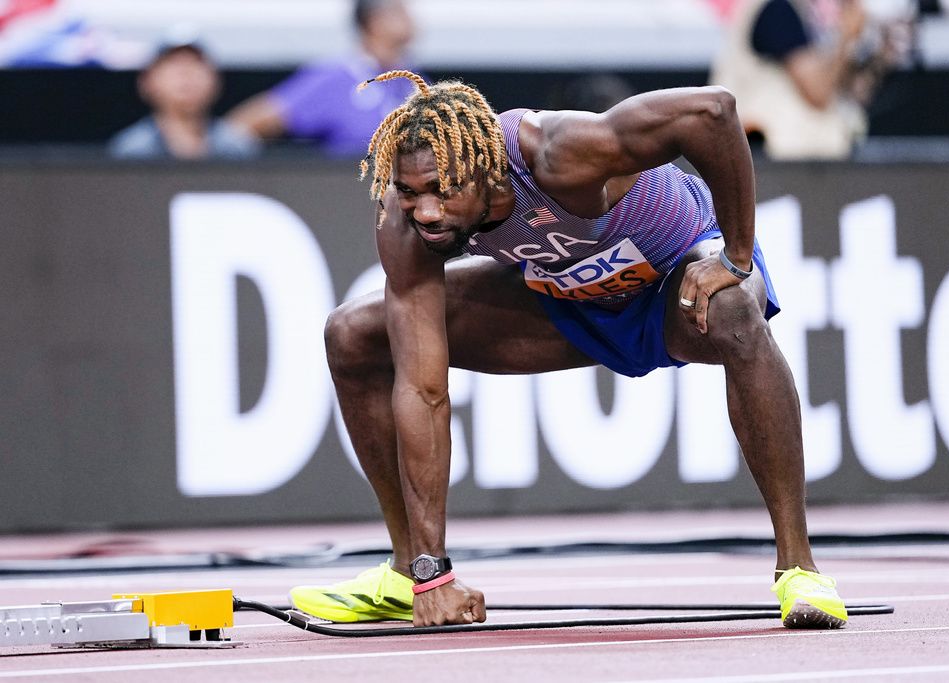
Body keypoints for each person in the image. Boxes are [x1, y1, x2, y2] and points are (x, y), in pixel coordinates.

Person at [289, 70, 848, 629]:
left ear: (486, 168)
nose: (427, 212)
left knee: (734, 312)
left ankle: (798, 567)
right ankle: (406, 570)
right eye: (411, 192)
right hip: (569, 301)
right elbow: (423, 389)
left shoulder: (558, 152)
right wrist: (433, 575)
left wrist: (736, 256)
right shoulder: (406, 224)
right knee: (353, 333)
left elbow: (713, 111)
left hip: (673, 286)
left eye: (442, 189)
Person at [710, 0, 901, 159]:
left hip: (794, 162)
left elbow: (847, 91)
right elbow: (817, 92)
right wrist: (847, 36)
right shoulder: (777, 9)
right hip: (773, 161)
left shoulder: (805, 13)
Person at [226, 0, 417, 156]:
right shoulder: (337, 77)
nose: (411, 19)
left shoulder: (411, 80)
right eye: (400, 11)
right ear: (374, 20)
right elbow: (247, 123)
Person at [108, 36, 258, 159]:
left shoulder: (237, 148)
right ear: (147, 82)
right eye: (174, 64)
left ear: (215, 80)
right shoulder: (132, 151)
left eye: (196, 63)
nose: (186, 73)